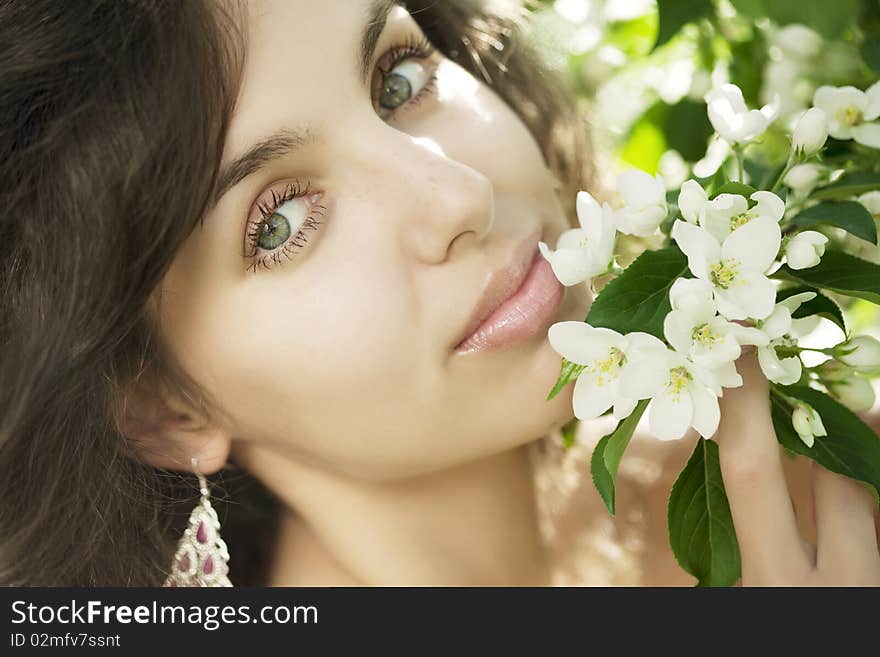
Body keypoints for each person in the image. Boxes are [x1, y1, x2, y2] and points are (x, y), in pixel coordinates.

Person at [0, 0, 877, 587]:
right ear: (161, 410)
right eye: (278, 221)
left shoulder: (797, 487)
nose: (459, 194)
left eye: (400, 79)